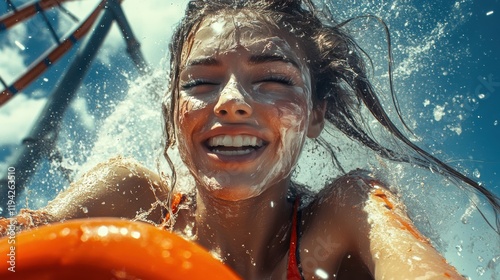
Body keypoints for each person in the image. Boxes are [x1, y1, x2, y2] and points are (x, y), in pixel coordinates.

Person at [1, 0, 498, 279]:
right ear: (176, 115)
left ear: (316, 114)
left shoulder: (345, 214)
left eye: (275, 80)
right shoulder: (134, 198)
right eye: (200, 83)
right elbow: (14, 252)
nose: (231, 101)